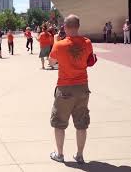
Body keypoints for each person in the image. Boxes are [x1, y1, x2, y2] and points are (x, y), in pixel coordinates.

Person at [48, 14, 94, 164]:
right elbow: (88, 59)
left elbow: (52, 62)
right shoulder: (87, 42)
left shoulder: (59, 44)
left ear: (65, 27)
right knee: (81, 123)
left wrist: (56, 41)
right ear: (78, 26)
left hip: (65, 87)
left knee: (59, 122)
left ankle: (60, 154)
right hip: (82, 86)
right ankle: (80, 155)